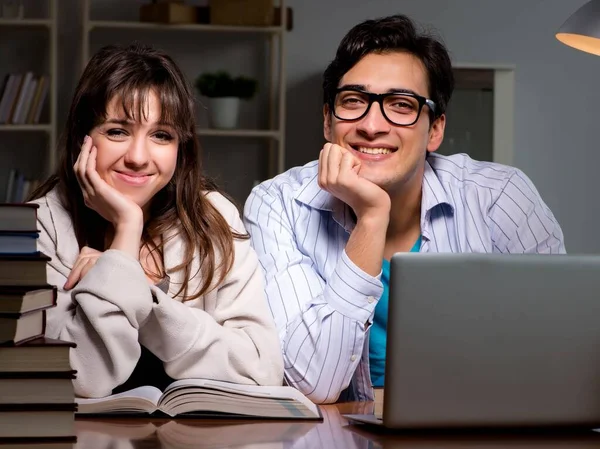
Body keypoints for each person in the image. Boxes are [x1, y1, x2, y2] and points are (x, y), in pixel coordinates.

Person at [243, 14, 565, 404]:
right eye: (354, 101)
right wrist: (371, 217)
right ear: (328, 122)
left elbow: (558, 355)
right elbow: (314, 386)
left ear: (435, 130)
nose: (372, 125)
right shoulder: (276, 203)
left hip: (474, 422)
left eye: (400, 105)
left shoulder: (500, 196)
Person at [29, 43, 284, 398]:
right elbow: (82, 376)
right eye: (117, 131)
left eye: (161, 135)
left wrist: (142, 299)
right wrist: (127, 228)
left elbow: (261, 369)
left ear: (181, 148)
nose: (138, 157)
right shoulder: (40, 225)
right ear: (82, 139)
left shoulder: (214, 217)